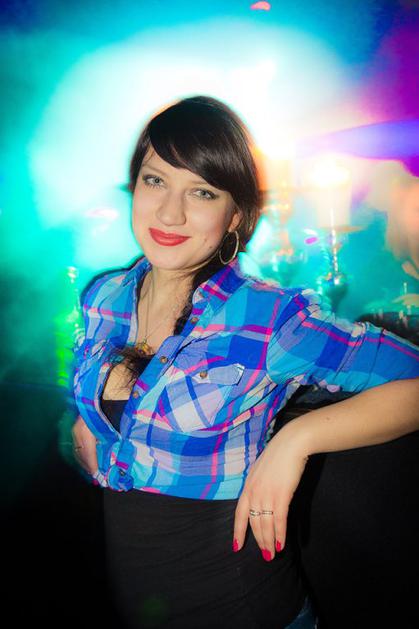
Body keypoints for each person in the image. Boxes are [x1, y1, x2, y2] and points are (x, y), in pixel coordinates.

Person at [71, 95, 419, 629]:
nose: (169, 213)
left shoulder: (270, 318)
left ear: (235, 214)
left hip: (245, 612)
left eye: (202, 192)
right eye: (155, 180)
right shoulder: (104, 296)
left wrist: (295, 440)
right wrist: (88, 415)